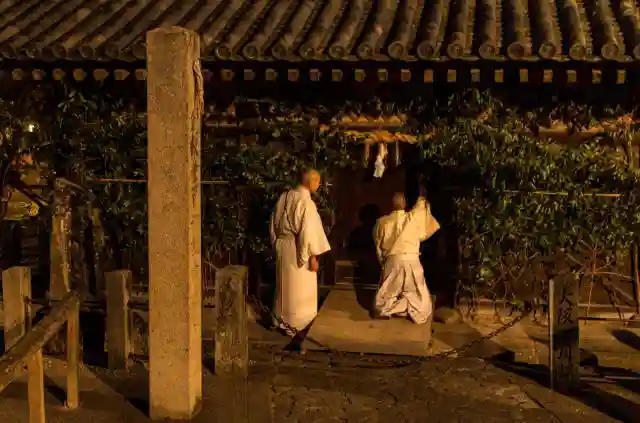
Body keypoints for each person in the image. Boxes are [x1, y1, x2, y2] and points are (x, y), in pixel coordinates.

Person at [269, 168, 331, 332]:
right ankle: (297, 324)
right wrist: (311, 257)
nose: (318, 185)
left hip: (282, 245)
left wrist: (276, 244)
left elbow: (273, 224)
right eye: (318, 181)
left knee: (283, 286)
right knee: (298, 287)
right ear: (312, 182)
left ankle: (279, 320)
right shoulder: (306, 202)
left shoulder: (283, 197)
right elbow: (307, 232)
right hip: (297, 247)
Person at [372, 187, 440, 324]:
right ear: (406, 204)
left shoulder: (381, 222)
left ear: (391, 204)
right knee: (422, 305)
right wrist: (422, 196)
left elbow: (378, 246)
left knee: (384, 299)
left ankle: (388, 309)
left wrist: (384, 264)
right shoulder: (413, 218)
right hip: (411, 261)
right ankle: (406, 306)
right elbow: (422, 208)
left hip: (392, 261)